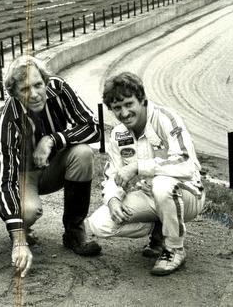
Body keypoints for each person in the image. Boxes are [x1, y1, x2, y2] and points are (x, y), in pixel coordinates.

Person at [85, 72, 205, 276]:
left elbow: (187, 164)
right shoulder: (118, 134)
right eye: (117, 108)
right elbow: (112, 176)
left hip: (188, 194)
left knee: (162, 185)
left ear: (142, 100)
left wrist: (139, 167)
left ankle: (174, 248)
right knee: (100, 224)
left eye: (129, 104)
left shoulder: (166, 117)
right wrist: (113, 199)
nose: (124, 113)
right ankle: (161, 229)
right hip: (151, 195)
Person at [0, 55, 102, 278]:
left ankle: (74, 232)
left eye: (38, 85)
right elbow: (4, 179)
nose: (34, 94)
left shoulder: (59, 89)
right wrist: (18, 238)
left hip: (54, 165)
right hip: (23, 175)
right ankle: (21, 229)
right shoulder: (6, 119)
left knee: (83, 154)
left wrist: (53, 139)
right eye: (24, 89)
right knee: (28, 212)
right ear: (13, 93)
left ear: (46, 80)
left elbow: (94, 127)